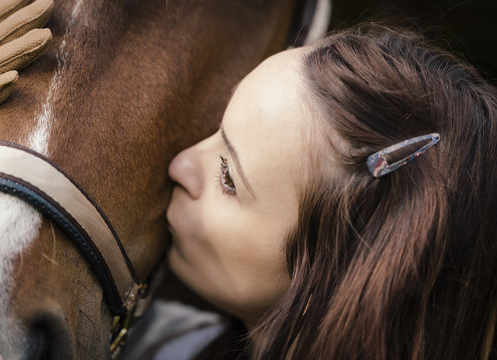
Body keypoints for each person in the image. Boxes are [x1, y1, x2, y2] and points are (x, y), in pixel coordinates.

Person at [155, 23, 497, 359]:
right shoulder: (155, 339)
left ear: (332, 282)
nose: (180, 165)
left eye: (228, 177)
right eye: (218, 127)